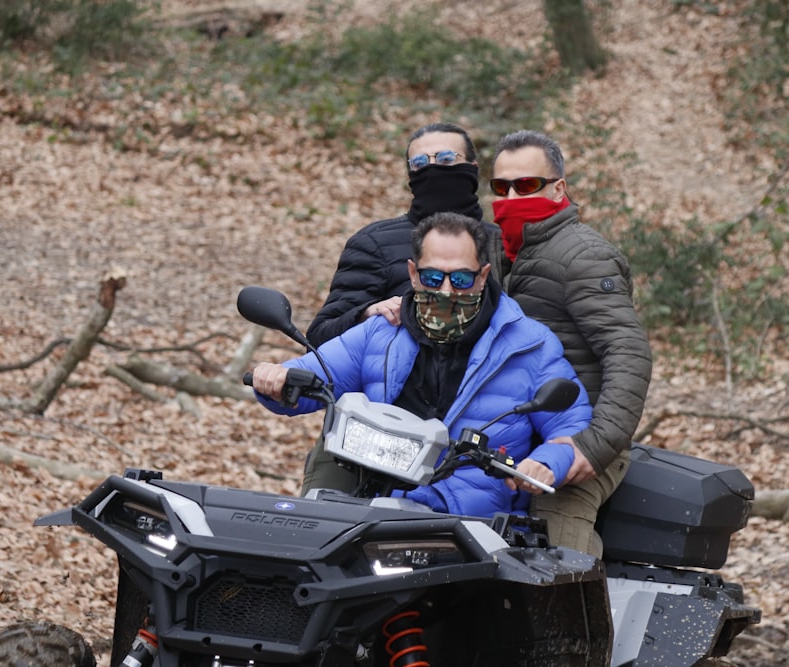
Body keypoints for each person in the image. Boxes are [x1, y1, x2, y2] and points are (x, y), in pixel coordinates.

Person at [251, 212, 592, 518]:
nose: (446, 290)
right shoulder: (382, 330)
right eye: (432, 278)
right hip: (373, 506)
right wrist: (277, 378)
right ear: (413, 273)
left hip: (470, 520)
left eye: (460, 279)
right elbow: (316, 372)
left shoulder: (529, 344)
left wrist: (547, 463)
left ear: (483, 274)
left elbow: (571, 428)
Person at [488, 129, 653, 556]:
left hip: (575, 437)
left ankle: (583, 621)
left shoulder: (583, 256)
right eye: (500, 187)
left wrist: (592, 446)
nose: (511, 196)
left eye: (525, 185)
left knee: (557, 563)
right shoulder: (499, 251)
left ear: (558, 188)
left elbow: (627, 352)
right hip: (510, 431)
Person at [301, 122, 490, 493]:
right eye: (421, 162)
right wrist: (365, 313)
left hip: (468, 442)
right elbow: (320, 337)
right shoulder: (375, 242)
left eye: (447, 159)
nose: (435, 168)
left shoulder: (501, 247)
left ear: (472, 167)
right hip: (369, 434)